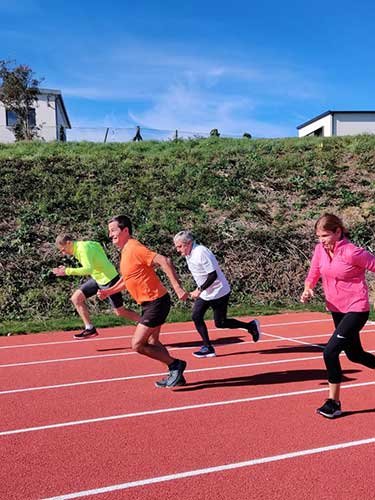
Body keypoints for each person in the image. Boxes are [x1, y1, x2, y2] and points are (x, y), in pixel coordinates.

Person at [97, 215, 188, 388]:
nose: (110, 235)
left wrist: (177, 287)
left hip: (156, 302)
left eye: (113, 230)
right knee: (153, 342)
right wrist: (109, 291)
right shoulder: (125, 251)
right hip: (150, 303)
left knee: (137, 345)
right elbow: (128, 279)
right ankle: (176, 374)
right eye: (109, 232)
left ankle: (176, 365)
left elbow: (164, 260)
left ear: (125, 231)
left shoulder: (134, 247)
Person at [300, 213, 375, 418]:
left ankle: (333, 402)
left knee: (330, 352)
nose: (321, 240)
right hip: (336, 308)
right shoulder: (320, 250)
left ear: (338, 231)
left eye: (324, 235)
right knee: (355, 355)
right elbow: (314, 272)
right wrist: (308, 289)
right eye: (318, 236)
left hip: (356, 308)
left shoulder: (352, 252)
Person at [173, 231, 261, 358]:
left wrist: (199, 290)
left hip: (219, 291)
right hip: (206, 292)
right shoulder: (189, 253)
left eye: (179, 246)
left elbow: (213, 275)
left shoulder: (201, 253)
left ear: (189, 243)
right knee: (196, 316)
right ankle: (208, 347)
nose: (177, 250)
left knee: (221, 323)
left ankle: (250, 326)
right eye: (176, 246)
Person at [53, 235, 140, 339]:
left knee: (120, 312)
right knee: (76, 298)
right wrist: (102, 263)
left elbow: (88, 269)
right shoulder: (86, 244)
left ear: (69, 243)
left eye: (63, 250)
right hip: (98, 278)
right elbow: (98, 246)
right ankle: (90, 329)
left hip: (109, 279)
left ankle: (146, 322)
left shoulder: (82, 249)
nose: (63, 253)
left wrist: (67, 271)